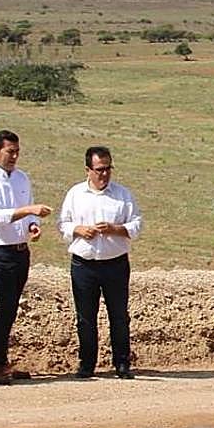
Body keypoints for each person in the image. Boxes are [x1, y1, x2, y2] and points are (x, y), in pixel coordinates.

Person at [0, 130, 52, 385]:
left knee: (10, 306)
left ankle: (1, 361)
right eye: (9, 152)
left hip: (19, 250)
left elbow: (27, 210)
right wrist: (29, 210)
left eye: (17, 151)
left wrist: (32, 224)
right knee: (5, 303)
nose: (14, 156)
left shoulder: (21, 178)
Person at [57, 146, 143, 379]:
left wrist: (115, 229)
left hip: (115, 263)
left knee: (119, 315)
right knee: (85, 317)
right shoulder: (75, 194)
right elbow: (62, 224)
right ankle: (87, 364)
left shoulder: (123, 195)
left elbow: (136, 225)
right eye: (99, 169)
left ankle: (122, 363)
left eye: (108, 169)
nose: (104, 174)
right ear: (88, 170)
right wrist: (78, 229)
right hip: (84, 264)